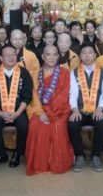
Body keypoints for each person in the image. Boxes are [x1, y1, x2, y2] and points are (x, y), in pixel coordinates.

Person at [25, 45, 74, 175]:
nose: (51, 57)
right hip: (39, 110)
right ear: (43, 56)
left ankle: (58, 163)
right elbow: (33, 95)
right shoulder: (35, 74)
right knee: (35, 125)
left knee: (58, 126)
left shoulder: (65, 73)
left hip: (60, 110)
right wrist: (41, 112)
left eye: (54, 55)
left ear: (58, 56)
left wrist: (51, 112)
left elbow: (64, 94)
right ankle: (39, 164)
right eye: (48, 54)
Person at [0, 44, 33, 168]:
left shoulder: (24, 73)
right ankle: (2, 154)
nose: (11, 57)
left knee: (23, 126)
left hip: (18, 111)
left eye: (13, 54)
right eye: (7, 55)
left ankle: (17, 154)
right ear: (1, 58)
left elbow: (27, 96)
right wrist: (0, 113)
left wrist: (16, 114)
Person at [68, 43, 103, 172]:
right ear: (80, 56)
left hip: (97, 110)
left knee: (102, 124)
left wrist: (100, 108)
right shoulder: (74, 72)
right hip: (80, 109)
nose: (87, 56)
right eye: (84, 53)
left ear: (95, 55)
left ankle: (96, 156)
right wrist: (74, 109)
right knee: (72, 124)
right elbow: (73, 93)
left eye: (90, 53)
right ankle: (79, 156)